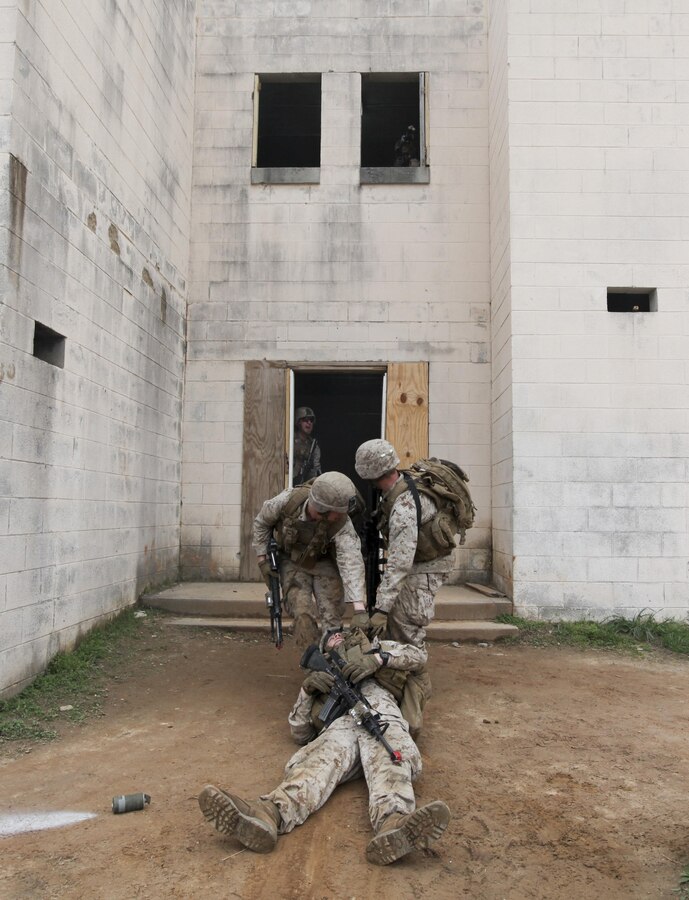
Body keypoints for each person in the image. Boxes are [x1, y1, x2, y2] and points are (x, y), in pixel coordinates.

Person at [198, 626, 451, 865]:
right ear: (324, 650)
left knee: (390, 755)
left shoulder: (377, 648)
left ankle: (393, 823)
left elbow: (418, 656)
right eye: (330, 637)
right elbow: (299, 732)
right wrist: (306, 691)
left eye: (340, 633)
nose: (336, 637)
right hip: (343, 724)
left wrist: (377, 660)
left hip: (381, 715)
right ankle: (268, 814)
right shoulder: (321, 678)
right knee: (319, 759)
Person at [354, 439, 453, 650]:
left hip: (427, 566)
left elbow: (400, 563)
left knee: (406, 623)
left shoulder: (404, 508)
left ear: (372, 476)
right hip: (417, 561)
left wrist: (381, 609)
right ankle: (395, 667)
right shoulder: (400, 485)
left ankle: (413, 675)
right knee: (396, 618)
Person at [253, 472, 368, 647]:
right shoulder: (287, 502)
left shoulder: (341, 523)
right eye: (337, 512)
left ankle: (334, 655)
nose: (341, 515)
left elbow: (351, 560)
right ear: (321, 510)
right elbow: (262, 522)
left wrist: (359, 608)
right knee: (302, 614)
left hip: (324, 562)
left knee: (332, 614)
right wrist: (263, 560)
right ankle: (312, 660)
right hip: (292, 562)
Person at [292, 406, 321, 486]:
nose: (309, 423)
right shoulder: (290, 441)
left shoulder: (314, 446)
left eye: (311, 420)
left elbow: (316, 468)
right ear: (298, 422)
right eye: (305, 420)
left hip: (306, 485)